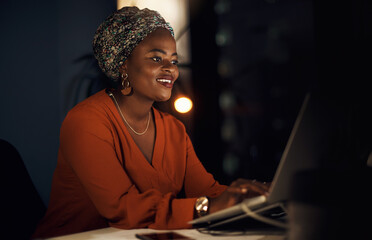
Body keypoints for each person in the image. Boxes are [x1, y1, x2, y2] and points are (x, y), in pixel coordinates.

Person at [32, 6, 269, 239]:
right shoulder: (86, 121)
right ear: (123, 63)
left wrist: (249, 195)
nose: (171, 70)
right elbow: (122, 208)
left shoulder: (173, 129)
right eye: (156, 58)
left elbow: (208, 192)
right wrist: (206, 208)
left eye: (174, 61)